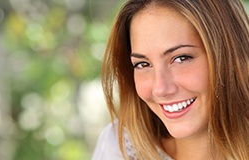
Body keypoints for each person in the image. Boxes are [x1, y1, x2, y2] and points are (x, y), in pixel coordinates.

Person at [92, 0, 249, 159]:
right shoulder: (119, 150)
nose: (160, 89)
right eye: (143, 64)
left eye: (181, 58)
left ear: (231, 57)